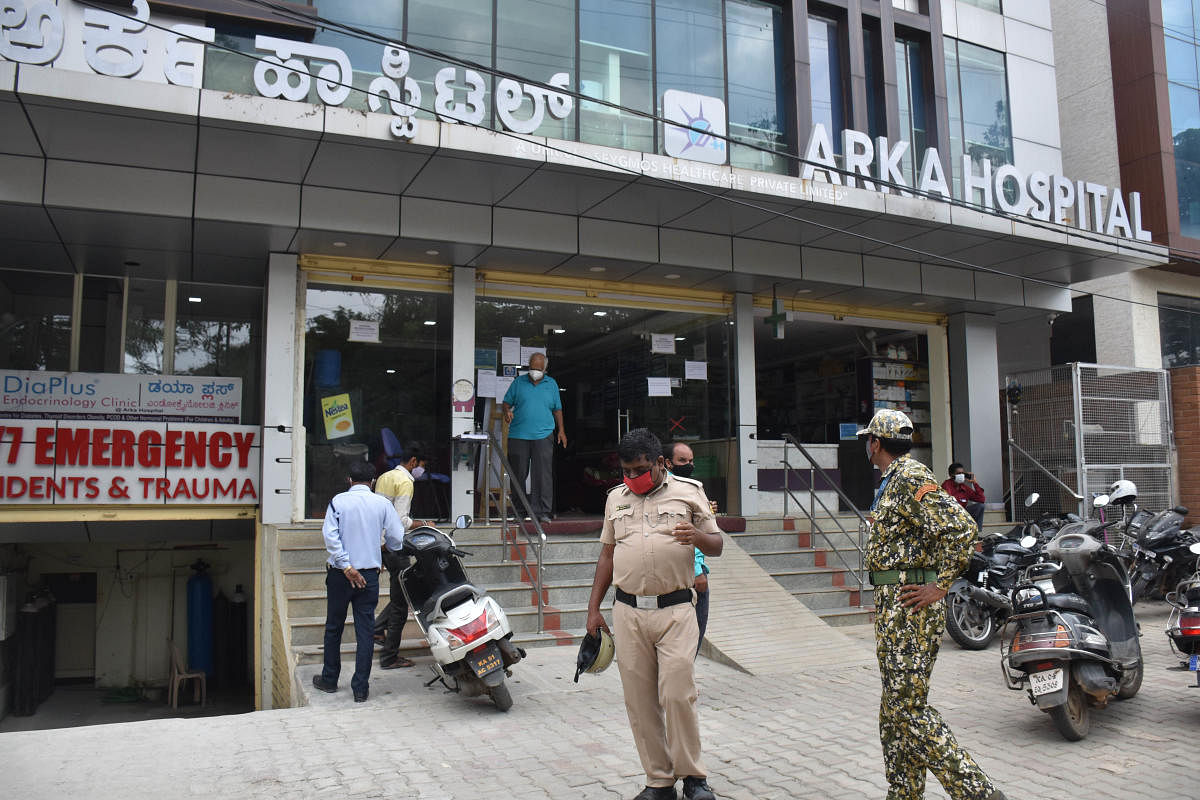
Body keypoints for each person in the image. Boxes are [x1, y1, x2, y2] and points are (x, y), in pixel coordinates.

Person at [859, 410, 1007, 800]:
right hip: (895, 603)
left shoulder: (910, 477)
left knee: (907, 709)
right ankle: (904, 792)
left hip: (910, 606)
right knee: (895, 708)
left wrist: (940, 586)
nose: (867, 446)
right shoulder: (893, 480)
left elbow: (960, 528)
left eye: (867, 440)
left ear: (876, 443)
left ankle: (977, 791)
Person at [586, 429, 723, 800]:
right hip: (628, 613)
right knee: (639, 700)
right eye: (627, 471)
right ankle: (659, 781)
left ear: (660, 463)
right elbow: (607, 555)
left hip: (676, 609)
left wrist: (696, 536)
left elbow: (718, 545)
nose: (633, 478)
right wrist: (593, 608)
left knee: (678, 693)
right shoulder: (615, 498)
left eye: (641, 469)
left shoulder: (689, 491)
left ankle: (693, 778)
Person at [312, 461, 406, 703]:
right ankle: (360, 689)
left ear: (349, 480)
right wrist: (385, 549)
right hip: (369, 576)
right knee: (365, 631)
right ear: (373, 481)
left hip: (340, 576)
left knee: (334, 627)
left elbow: (329, 537)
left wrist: (346, 566)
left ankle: (329, 680)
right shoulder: (382, 504)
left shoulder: (338, 501)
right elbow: (397, 537)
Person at [373, 444, 425, 669]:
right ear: (413, 462)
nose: (421, 471)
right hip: (394, 547)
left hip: (381, 545)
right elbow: (400, 521)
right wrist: (424, 524)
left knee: (401, 594)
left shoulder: (385, 476)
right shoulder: (405, 482)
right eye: (421, 466)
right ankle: (389, 656)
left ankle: (376, 630)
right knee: (400, 606)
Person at [502, 352, 567, 523]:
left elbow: (557, 409)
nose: (534, 371)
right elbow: (506, 402)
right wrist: (506, 411)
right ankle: (519, 510)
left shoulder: (551, 384)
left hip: (544, 434)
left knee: (543, 474)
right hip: (518, 435)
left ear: (544, 369)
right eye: (531, 368)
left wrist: (561, 430)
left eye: (538, 369)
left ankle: (542, 512)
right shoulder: (518, 382)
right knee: (518, 474)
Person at [667, 441, 710, 654]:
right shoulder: (678, 491)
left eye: (691, 460)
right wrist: (698, 570)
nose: (689, 465)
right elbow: (686, 533)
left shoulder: (691, 488)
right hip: (687, 574)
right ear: (667, 463)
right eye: (682, 461)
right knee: (692, 636)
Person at [942, 462, 986, 529]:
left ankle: (976, 533)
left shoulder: (964, 487)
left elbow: (981, 499)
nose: (961, 475)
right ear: (951, 475)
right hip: (951, 515)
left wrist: (974, 483)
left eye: (962, 473)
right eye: (959, 473)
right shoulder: (946, 485)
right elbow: (948, 503)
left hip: (963, 514)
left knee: (980, 506)